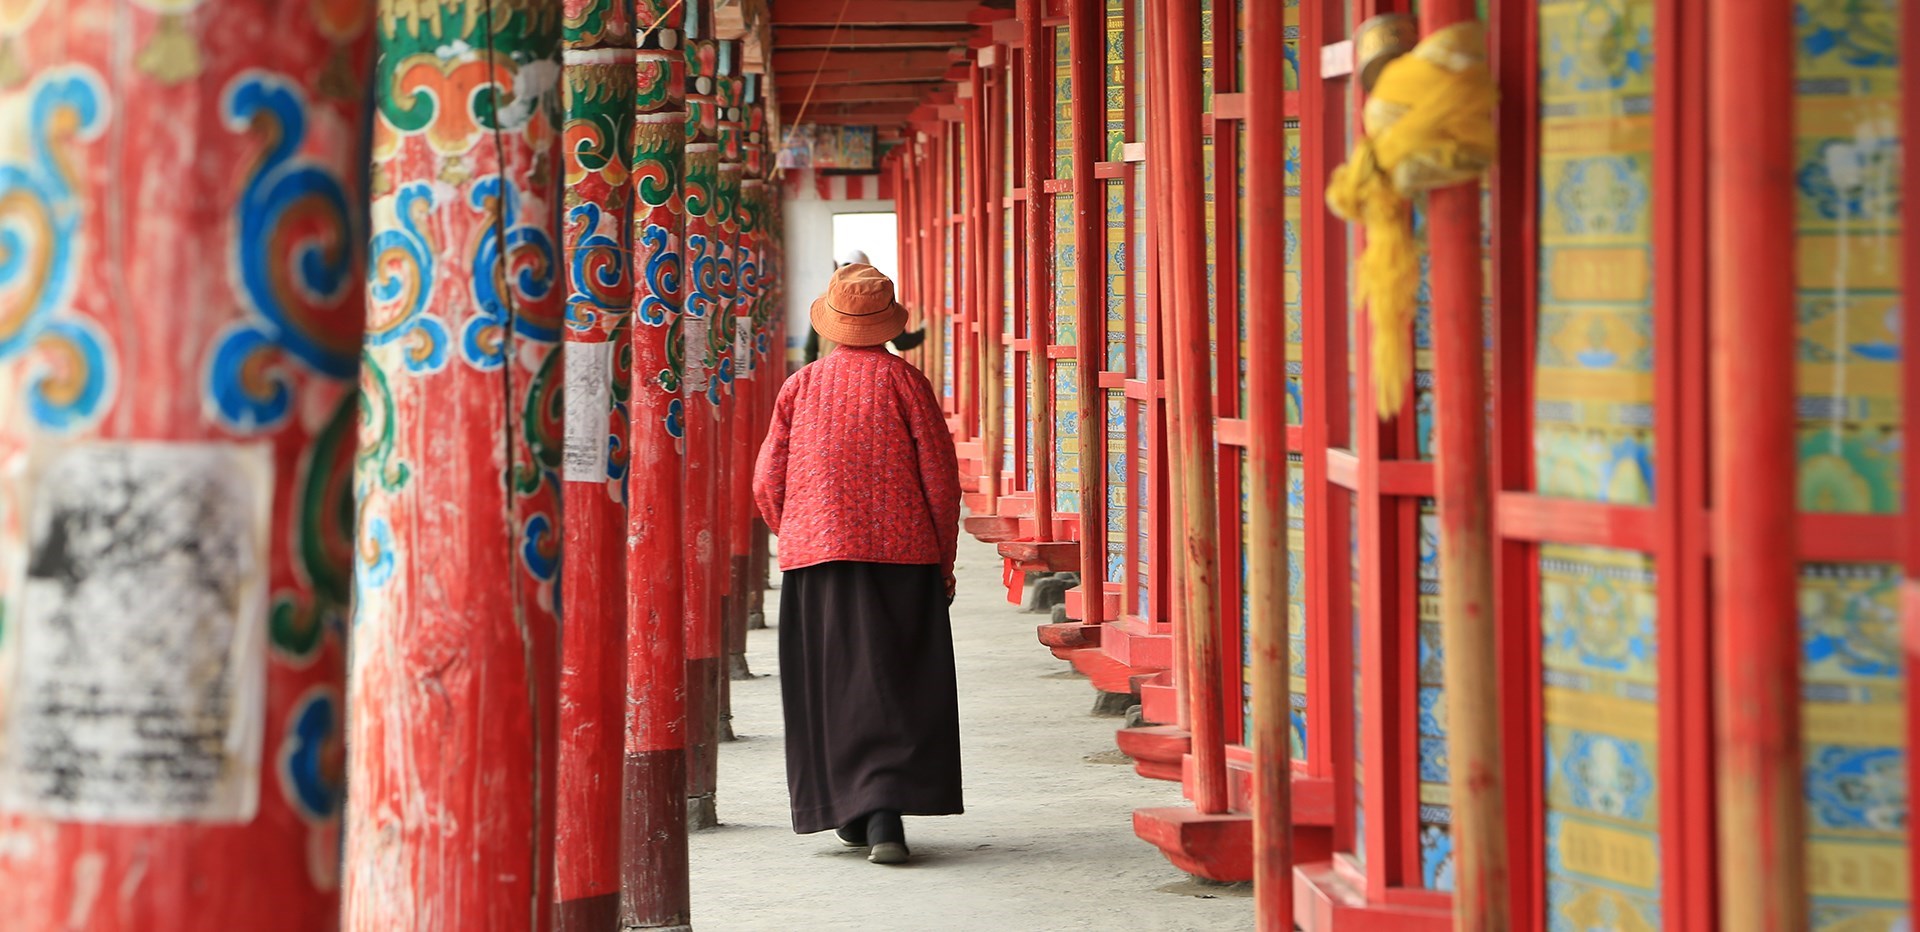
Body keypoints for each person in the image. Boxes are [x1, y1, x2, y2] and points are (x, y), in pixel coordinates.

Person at [753, 262, 963, 866]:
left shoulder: (801, 385)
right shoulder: (908, 383)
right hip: (903, 559)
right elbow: (941, 483)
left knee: (834, 683)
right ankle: (883, 814)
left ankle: (854, 808)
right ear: (888, 325)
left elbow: (769, 480)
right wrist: (941, 561)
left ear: (832, 322)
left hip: (817, 558)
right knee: (898, 682)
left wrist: (796, 528)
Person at [804, 248, 926, 363]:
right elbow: (902, 343)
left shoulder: (828, 303)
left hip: (828, 378)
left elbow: (810, 349)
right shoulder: (876, 303)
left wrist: (813, 375)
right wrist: (924, 331)